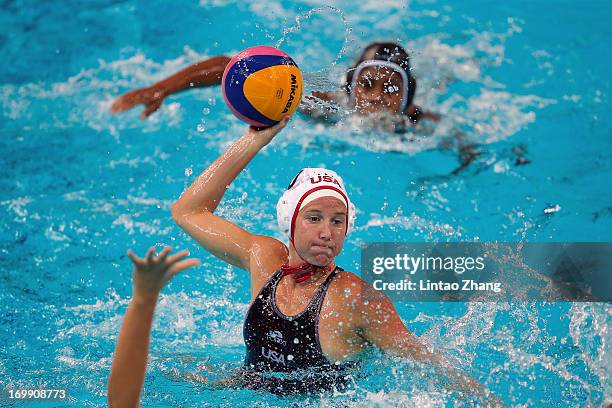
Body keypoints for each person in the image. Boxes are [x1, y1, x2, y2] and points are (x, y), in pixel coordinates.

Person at [107, 116, 502, 405]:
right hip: (244, 387)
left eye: (338, 221)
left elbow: (424, 360)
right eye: (314, 219)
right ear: (290, 222)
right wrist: (253, 142)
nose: (327, 232)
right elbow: (188, 211)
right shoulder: (265, 260)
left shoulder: (358, 297)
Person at [110, 42, 438, 125]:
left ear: (408, 98)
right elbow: (233, 67)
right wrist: (161, 89)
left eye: (392, 88)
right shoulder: (327, 107)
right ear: (351, 87)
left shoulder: (419, 123)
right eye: (367, 85)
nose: (378, 97)